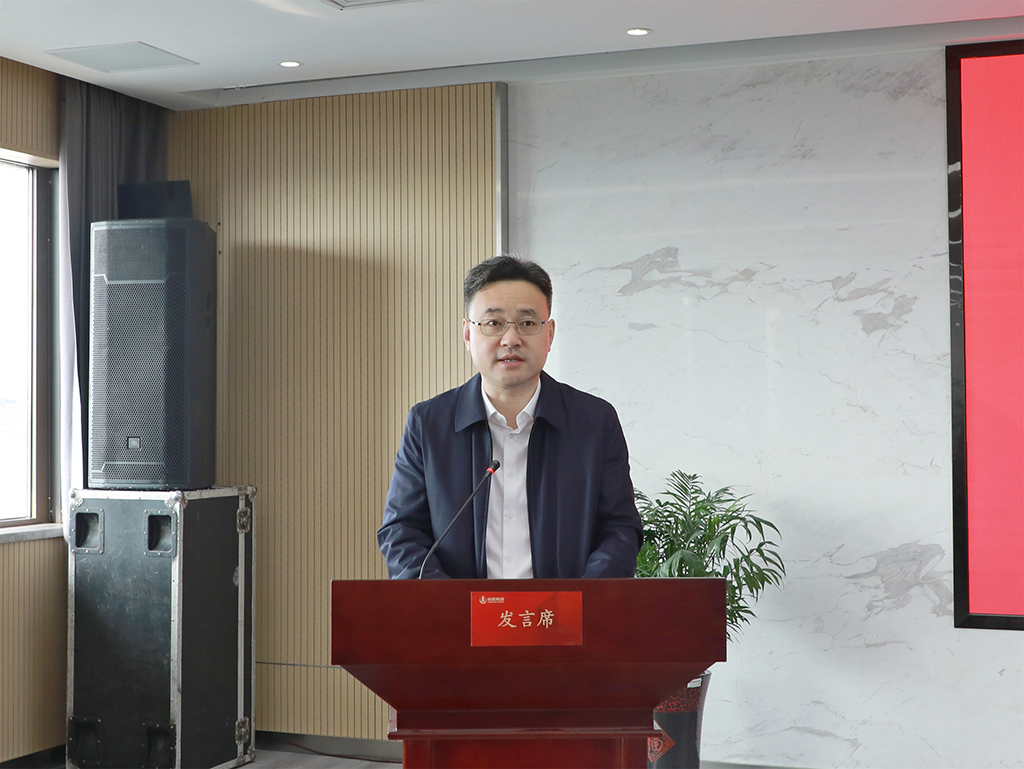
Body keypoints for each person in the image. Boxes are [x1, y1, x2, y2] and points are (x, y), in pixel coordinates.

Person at [377, 255, 643, 579]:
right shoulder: (428, 424)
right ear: (467, 334)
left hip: (566, 611)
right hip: (459, 611)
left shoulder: (594, 422)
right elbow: (401, 531)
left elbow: (619, 528)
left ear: (549, 334)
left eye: (527, 323)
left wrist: (581, 601)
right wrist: (447, 603)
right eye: (494, 323)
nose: (511, 339)